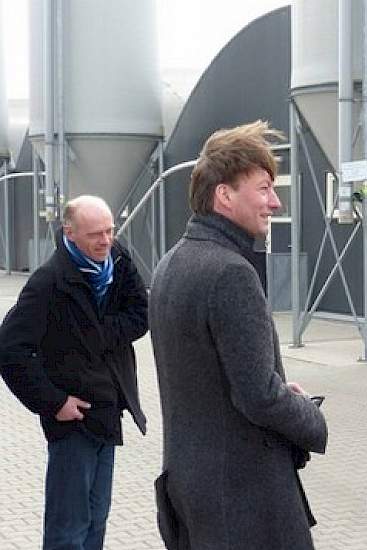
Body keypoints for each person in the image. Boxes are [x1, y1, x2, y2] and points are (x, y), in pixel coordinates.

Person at [149, 121, 327, 549]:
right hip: (244, 501)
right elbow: (258, 397)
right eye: (264, 188)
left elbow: (214, 377)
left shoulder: (171, 263)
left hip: (193, 491)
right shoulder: (231, 272)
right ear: (224, 195)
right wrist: (309, 417)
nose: (275, 201)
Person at [0, 195, 148, 550]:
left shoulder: (119, 261)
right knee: (68, 530)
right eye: (96, 233)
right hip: (72, 420)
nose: (106, 240)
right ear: (70, 232)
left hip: (108, 411)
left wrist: (102, 332)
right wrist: (53, 402)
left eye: (110, 231)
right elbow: (9, 348)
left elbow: (142, 315)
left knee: (96, 521)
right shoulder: (49, 282)